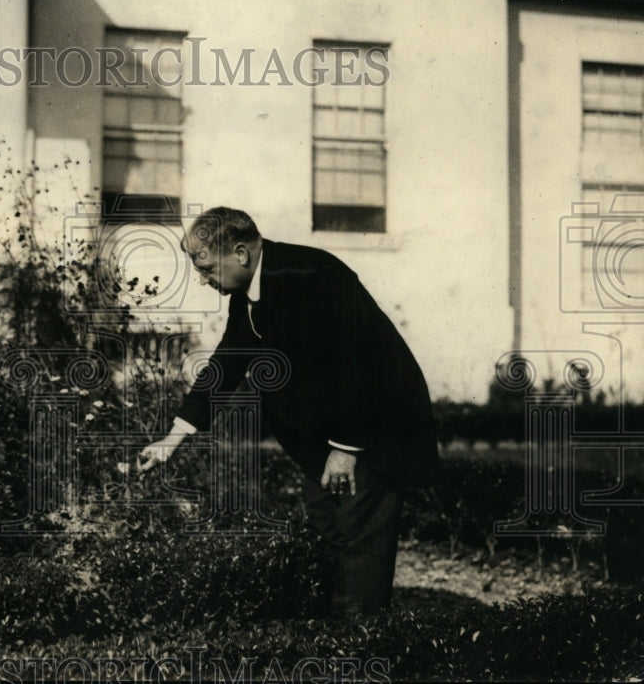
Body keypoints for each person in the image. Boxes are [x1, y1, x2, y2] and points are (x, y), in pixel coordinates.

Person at [138, 207, 439, 619]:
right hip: (329, 435)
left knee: (360, 535)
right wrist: (171, 441)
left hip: (374, 427)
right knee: (328, 526)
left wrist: (346, 446)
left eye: (206, 266)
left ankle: (364, 647)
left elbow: (360, 360)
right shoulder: (247, 296)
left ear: (241, 253)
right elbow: (226, 364)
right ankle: (337, 635)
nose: (202, 278)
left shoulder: (316, 274)